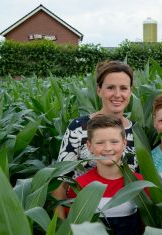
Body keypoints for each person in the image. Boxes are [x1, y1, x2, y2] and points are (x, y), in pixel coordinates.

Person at [53, 61, 138, 219]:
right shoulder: (78, 128)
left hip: (127, 218)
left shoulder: (137, 131)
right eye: (110, 87)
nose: (117, 94)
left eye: (124, 88)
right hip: (84, 215)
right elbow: (60, 184)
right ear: (99, 90)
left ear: (130, 91)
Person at [66, 114, 144, 234]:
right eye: (100, 143)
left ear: (124, 143)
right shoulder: (80, 186)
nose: (108, 148)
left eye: (114, 142)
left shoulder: (138, 184)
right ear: (89, 146)